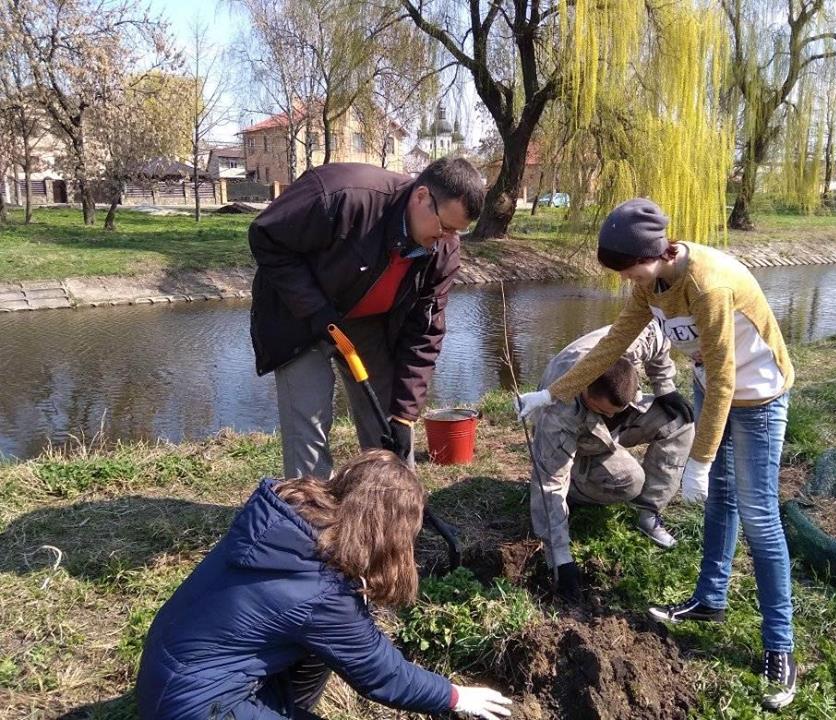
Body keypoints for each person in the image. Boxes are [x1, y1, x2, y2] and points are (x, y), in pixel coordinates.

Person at [517, 199, 798, 710]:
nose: (629, 281)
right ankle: (710, 601)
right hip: (710, 387)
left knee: (759, 518)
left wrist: (701, 460)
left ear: (660, 252)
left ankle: (780, 647)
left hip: (755, 398)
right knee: (722, 505)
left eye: (630, 269)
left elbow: (726, 380)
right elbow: (611, 348)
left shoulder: (710, 286)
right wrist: (553, 393)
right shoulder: (651, 284)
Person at [136, 450, 512, 720]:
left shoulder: (284, 524)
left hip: (169, 673)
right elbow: (384, 677)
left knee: (319, 650)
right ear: (388, 532)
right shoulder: (323, 592)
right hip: (193, 707)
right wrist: (456, 696)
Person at [249, 158, 485, 478]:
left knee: (388, 421)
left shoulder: (443, 249)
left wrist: (404, 416)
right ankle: (312, 518)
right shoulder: (343, 195)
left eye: (456, 232)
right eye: (444, 227)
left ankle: (391, 513)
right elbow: (265, 235)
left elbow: (424, 333)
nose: (447, 238)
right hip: (299, 315)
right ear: (421, 197)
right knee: (310, 423)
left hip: (367, 322)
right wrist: (314, 309)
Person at [527, 324, 695, 602]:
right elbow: (548, 482)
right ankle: (577, 489)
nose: (609, 415)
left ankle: (648, 513)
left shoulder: (632, 340)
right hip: (579, 434)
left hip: (617, 411)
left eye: (613, 411)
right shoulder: (558, 414)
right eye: (602, 410)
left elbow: (657, 331)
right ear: (586, 390)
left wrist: (664, 387)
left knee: (680, 422)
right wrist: (561, 558)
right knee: (630, 480)